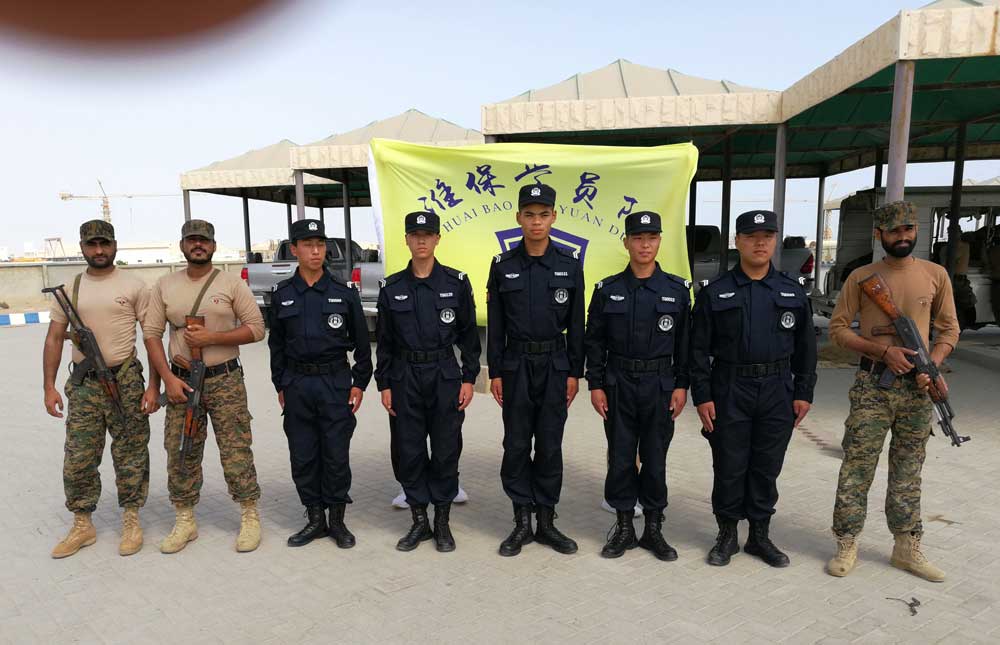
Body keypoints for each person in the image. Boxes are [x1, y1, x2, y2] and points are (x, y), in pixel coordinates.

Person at [826, 201, 960, 582]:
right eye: (895, 230)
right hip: (873, 385)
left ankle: (906, 547)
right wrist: (882, 352)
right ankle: (846, 542)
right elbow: (838, 330)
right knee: (857, 465)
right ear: (879, 234)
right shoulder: (861, 278)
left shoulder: (935, 275)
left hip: (917, 389)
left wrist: (931, 365)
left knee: (908, 469)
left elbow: (950, 329)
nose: (903, 236)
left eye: (908, 229)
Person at [691, 209, 817, 567]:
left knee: (766, 465)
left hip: (777, 389)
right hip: (730, 387)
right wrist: (703, 395)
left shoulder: (791, 291)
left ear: (775, 240)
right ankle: (727, 534)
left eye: (767, 236)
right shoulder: (716, 292)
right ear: (737, 242)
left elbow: (807, 348)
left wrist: (803, 392)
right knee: (729, 465)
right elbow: (697, 350)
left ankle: (760, 536)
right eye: (751, 237)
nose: (760, 243)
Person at [143, 219, 266, 554]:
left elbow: (256, 328)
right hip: (181, 381)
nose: (198, 245)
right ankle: (185, 519)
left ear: (213, 246)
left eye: (204, 240)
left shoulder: (231, 283)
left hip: (224, 379)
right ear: (182, 245)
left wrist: (213, 337)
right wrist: (167, 380)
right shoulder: (165, 285)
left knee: (236, 448)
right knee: (180, 449)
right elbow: (151, 335)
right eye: (192, 240)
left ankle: (249, 515)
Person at [43, 220, 160, 558]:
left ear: (114, 246)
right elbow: (54, 338)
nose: (99, 250)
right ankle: (83, 524)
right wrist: (49, 387)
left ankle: (132, 520)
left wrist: (154, 385)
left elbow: (152, 337)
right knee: (78, 456)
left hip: (125, 380)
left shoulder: (134, 285)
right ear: (82, 247)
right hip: (84, 385)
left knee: (131, 452)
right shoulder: (70, 288)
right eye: (92, 244)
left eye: (104, 244)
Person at [584, 210, 690, 560]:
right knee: (621, 459)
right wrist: (595, 384)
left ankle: (654, 531)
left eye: (652, 238)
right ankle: (624, 528)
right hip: (619, 384)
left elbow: (686, 345)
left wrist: (682, 385)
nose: (645, 245)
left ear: (659, 241)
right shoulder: (608, 290)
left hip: (660, 385)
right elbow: (594, 342)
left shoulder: (676, 291)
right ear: (626, 242)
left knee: (655, 460)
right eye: (638, 238)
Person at [487, 183, 584, 557]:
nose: (536, 222)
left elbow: (577, 324)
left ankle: (546, 523)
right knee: (515, 444)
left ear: (554, 217)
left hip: (555, 366)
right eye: (529, 214)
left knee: (549, 444)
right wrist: (495, 372)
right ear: (519, 218)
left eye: (543, 214)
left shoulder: (569, 264)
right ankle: (521, 523)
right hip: (516, 366)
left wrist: (574, 372)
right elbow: (496, 323)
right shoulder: (503, 265)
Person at [376, 211, 480, 552]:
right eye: (415, 235)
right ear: (406, 239)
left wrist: (469, 378)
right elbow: (384, 343)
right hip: (404, 377)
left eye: (428, 235)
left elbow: (469, 337)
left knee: (446, 449)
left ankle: (442, 523)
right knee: (409, 449)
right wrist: (384, 384)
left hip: (444, 375)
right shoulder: (392, 287)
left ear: (437, 239)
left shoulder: (455, 283)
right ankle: (419, 521)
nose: (421, 240)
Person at [268, 218, 371, 549]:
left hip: (334, 383)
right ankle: (315, 519)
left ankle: (337, 521)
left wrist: (359, 383)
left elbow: (363, 344)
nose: (315, 251)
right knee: (303, 454)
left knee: (336, 454)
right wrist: (281, 384)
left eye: (320, 245)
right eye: (308, 245)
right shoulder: (282, 294)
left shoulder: (343, 293)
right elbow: (276, 346)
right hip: (297, 383)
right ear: (294, 249)